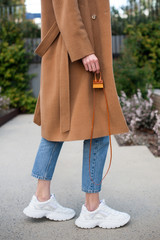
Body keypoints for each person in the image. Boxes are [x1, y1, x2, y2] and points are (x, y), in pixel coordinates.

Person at [23, 0, 131, 229]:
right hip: (73, 53)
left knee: (56, 126)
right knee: (97, 125)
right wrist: (85, 50)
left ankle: (42, 198)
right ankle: (92, 208)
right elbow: (66, 7)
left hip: (66, 51)